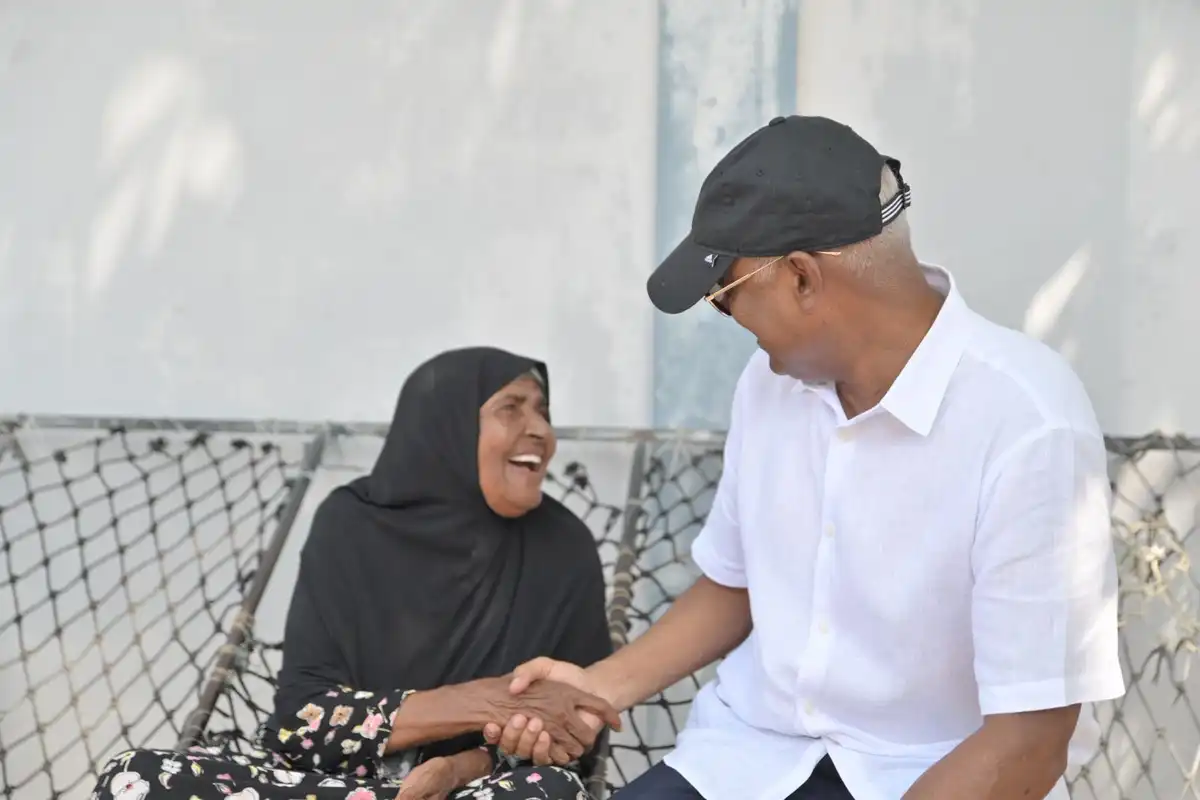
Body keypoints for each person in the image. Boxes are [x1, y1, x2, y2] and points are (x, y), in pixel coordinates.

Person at [484, 116, 1125, 799]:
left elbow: (1029, 743)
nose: (728, 319)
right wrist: (598, 689)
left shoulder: (1028, 422)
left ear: (800, 278)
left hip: (927, 775)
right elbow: (738, 583)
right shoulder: (769, 385)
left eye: (725, 296)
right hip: (743, 761)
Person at [91, 347, 621, 800]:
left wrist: (458, 768)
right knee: (136, 778)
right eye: (511, 408)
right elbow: (300, 721)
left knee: (550, 792)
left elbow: (574, 733)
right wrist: (487, 702)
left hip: (472, 790)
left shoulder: (563, 547)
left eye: (543, 412)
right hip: (332, 788)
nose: (541, 431)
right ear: (447, 426)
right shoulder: (351, 524)